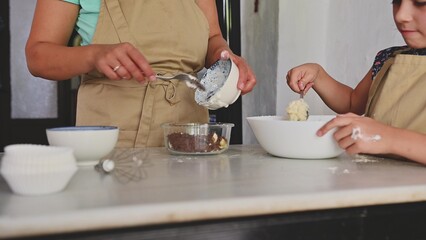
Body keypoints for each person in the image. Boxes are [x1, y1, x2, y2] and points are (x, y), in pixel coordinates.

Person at [26, 0, 256, 148]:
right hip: (112, 134)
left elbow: (212, 37)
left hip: (188, 127)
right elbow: (38, 55)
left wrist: (225, 57)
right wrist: (92, 55)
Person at [286, 0, 426, 164]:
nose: (401, 15)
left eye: (420, 2)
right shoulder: (388, 59)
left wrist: (387, 138)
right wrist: (319, 76)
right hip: (375, 182)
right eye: (396, 1)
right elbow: (352, 103)